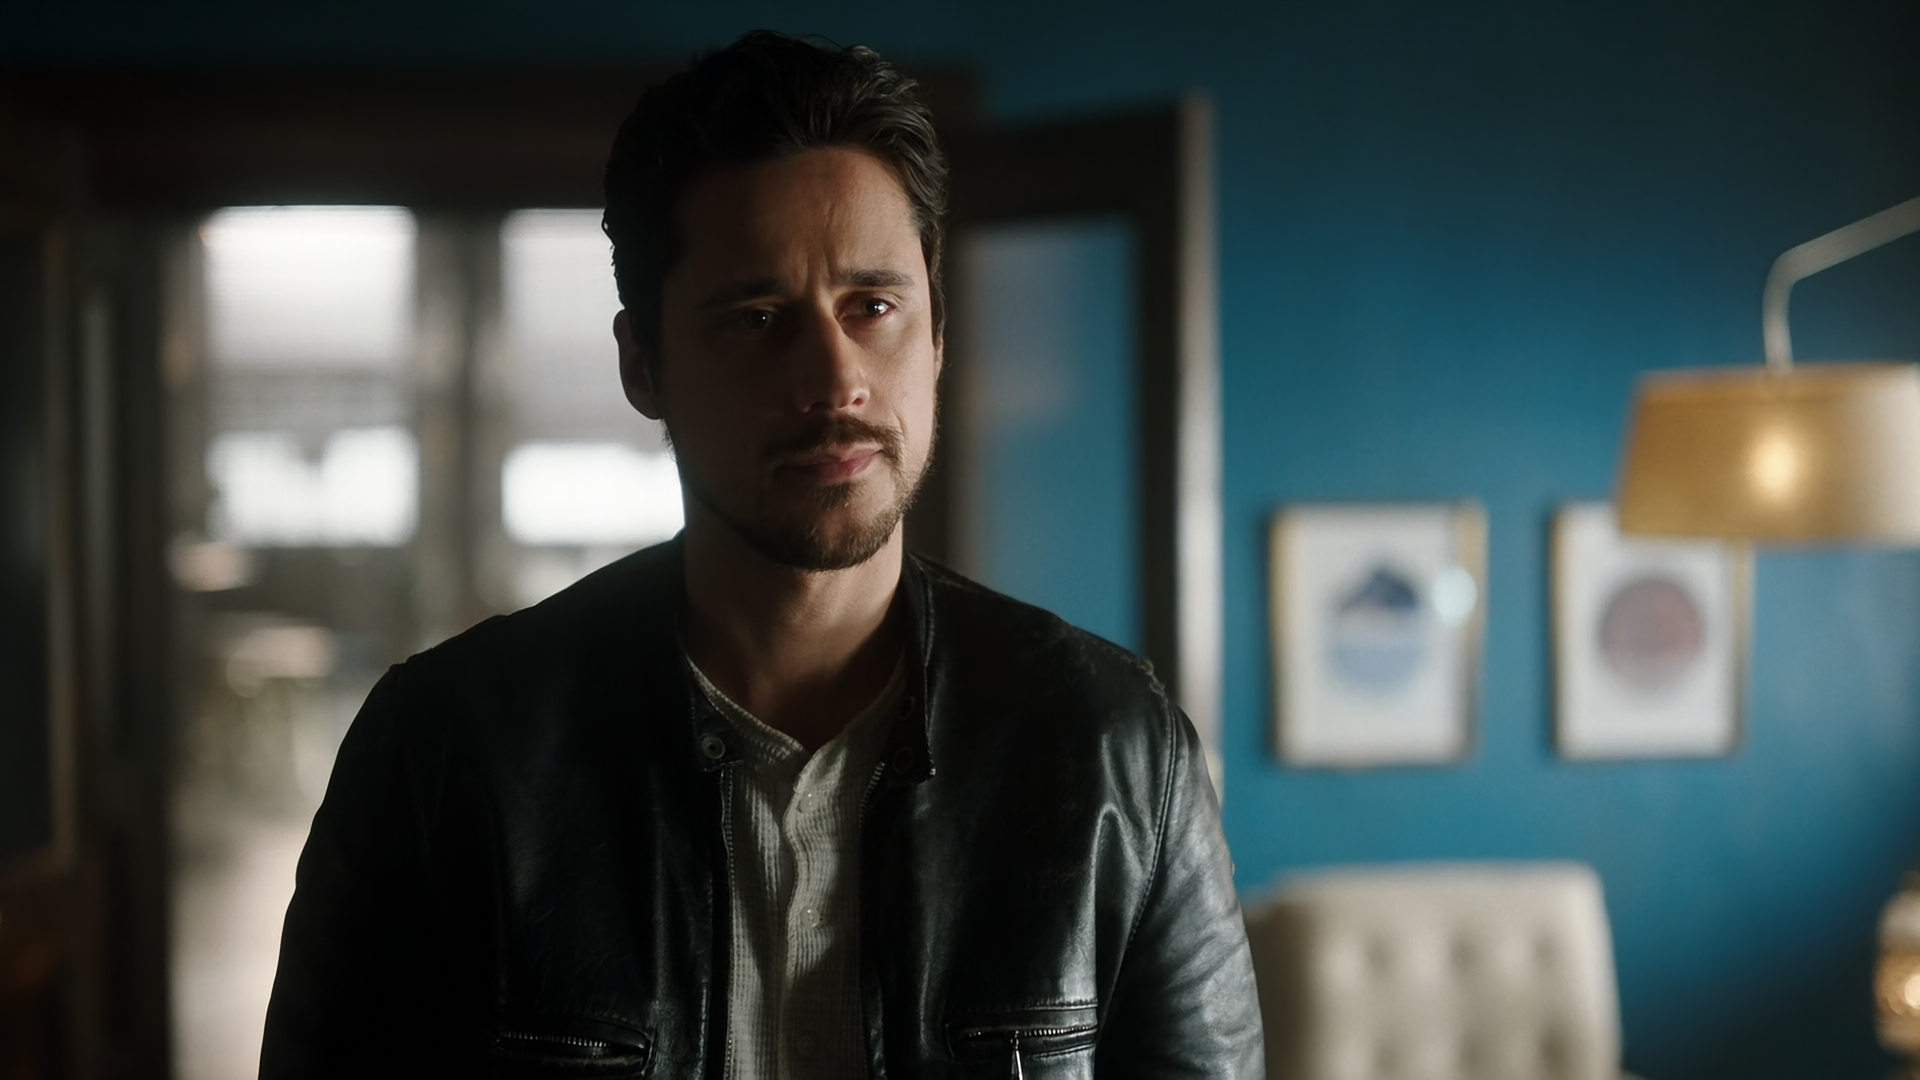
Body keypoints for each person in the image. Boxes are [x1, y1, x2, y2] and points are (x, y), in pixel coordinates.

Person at [261, 30, 1262, 1078]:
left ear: (937, 336)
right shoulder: (443, 757)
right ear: (643, 365)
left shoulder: (1116, 755)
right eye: (755, 318)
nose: (835, 379)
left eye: (874, 307)